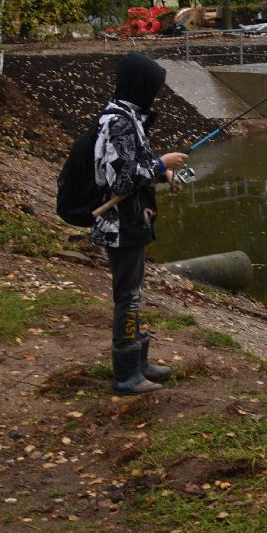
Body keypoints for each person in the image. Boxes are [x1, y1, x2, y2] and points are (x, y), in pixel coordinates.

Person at [93, 52, 188, 395]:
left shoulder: (127, 115)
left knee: (133, 294)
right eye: (153, 87)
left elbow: (134, 165)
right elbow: (119, 180)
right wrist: (161, 164)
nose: (156, 95)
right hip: (121, 225)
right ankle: (126, 375)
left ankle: (138, 362)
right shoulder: (117, 121)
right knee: (128, 297)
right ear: (140, 86)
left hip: (132, 220)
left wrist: (165, 175)